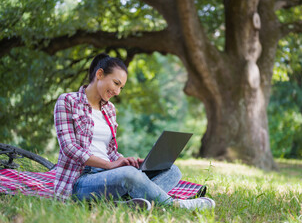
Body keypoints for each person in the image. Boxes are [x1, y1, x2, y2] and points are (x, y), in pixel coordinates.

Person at [53, 53, 215, 210]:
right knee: (129, 175)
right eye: (116, 83)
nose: (117, 92)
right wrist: (111, 165)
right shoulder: (67, 101)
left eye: (121, 87)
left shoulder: (109, 109)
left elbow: (110, 151)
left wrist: (126, 161)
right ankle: (175, 205)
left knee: (172, 171)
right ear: (100, 74)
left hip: (109, 174)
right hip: (81, 180)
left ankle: (126, 203)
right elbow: (69, 148)